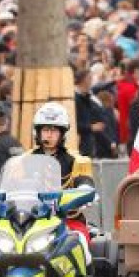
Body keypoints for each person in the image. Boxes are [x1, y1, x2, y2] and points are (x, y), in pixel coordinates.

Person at [28, 102, 95, 240]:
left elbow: (84, 180)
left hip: (68, 221)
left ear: (62, 134)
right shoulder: (25, 160)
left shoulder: (75, 160)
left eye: (54, 131)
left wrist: (85, 188)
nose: (49, 135)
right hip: (32, 221)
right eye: (46, 130)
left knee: (80, 241)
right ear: (38, 132)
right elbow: (12, 186)